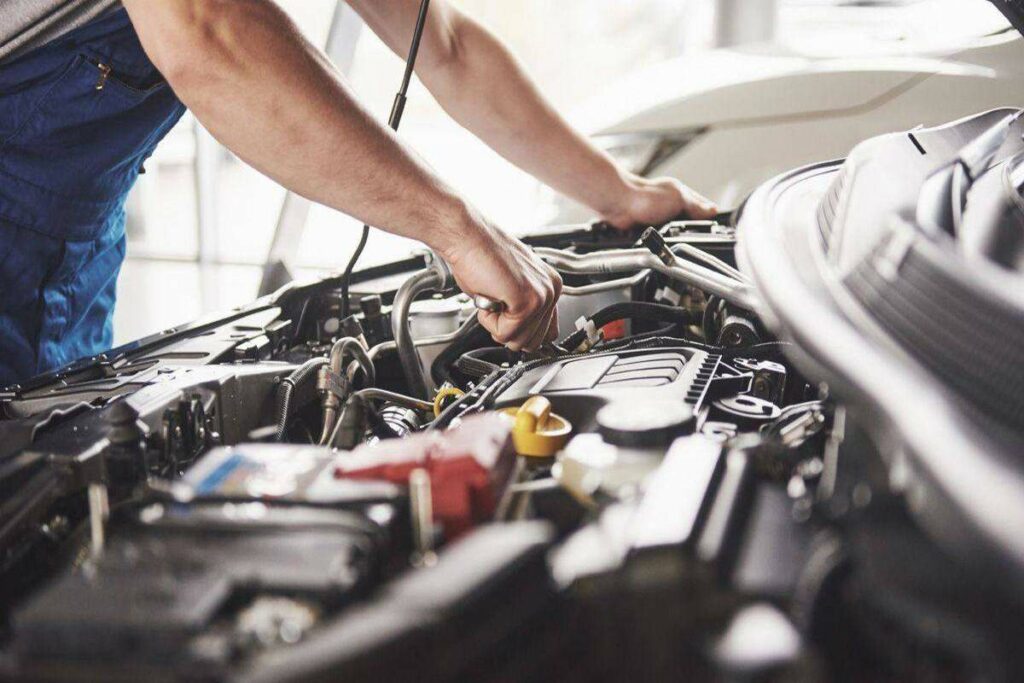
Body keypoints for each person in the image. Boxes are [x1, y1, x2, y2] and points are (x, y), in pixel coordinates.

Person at [0, 0, 716, 385]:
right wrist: (457, 229)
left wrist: (620, 194)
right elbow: (208, 33)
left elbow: (444, 45)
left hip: (68, 240)